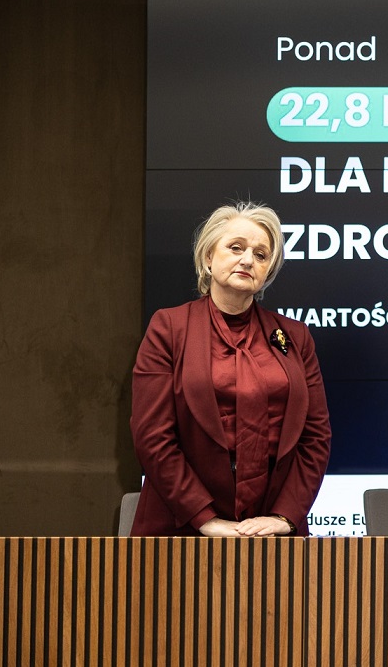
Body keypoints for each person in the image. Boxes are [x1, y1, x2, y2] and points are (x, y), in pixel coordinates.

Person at [130, 202, 331, 537]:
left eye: (261, 255)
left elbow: (316, 437)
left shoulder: (295, 337)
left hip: (272, 533)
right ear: (209, 257)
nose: (248, 260)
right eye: (236, 248)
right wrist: (205, 518)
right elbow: (152, 436)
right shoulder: (169, 328)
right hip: (181, 528)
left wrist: (285, 516)